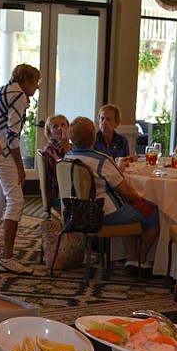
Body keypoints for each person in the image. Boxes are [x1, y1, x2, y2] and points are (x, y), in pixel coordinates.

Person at [64, 116, 160, 277]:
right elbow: (126, 191)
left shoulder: (67, 158)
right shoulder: (101, 160)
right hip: (101, 213)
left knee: (131, 209)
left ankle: (132, 258)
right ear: (93, 137)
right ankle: (140, 261)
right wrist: (143, 200)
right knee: (152, 213)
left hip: (75, 212)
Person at [0, 63, 40, 275]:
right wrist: (20, 166)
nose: (36, 87)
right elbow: (12, 134)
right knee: (16, 200)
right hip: (4, 153)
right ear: (25, 80)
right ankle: (7, 257)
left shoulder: (2, 90)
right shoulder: (18, 95)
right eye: (35, 82)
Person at [41, 113, 70, 210]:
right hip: (59, 193)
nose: (60, 128)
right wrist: (66, 146)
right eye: (55, 126)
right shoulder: (50, 149)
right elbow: (64, 171)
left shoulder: (71, 146)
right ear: (49, 133)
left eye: (63, 125)